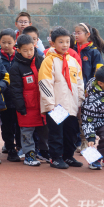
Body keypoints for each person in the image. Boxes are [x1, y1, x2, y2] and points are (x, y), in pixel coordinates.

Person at [39, 27, 85, 169]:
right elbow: (44, 83)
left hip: (71, 105)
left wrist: (80, 101)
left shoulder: (73, 61)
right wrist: (50, 104)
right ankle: (56, 157)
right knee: (56, 133)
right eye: (61, 42)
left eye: (67, 41)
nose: (65, 45)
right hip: (56, 105)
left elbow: (79, 82)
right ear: (52, 43)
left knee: (71, 132)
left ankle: (68, 156)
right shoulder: (49, 61)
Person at [9, 35, 48, 166]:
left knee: (45, 130)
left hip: (42, 104)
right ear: (18, 50)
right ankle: (29, 155)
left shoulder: (41, 60)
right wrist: (20, 106)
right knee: (27, 132)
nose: (29, 53)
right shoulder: (16, 67)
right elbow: (15, 89)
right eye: (25, 50)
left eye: (31, 49)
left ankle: (44, 152)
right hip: (27, 106)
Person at [0, 28, 21, 162]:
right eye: (3, 42)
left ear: (15, 42)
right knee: (6, 124)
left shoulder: (20, 56)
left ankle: (19, 147)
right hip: (4, 98)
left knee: (19, 124)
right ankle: (10, 148)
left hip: (18, 98)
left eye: (9, 42)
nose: (6, 45)